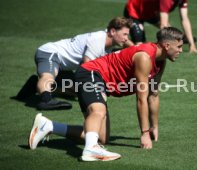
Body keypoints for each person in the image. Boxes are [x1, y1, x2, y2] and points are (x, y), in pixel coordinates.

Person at [28, 27, 184, 161]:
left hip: (102, 83)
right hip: (91, 73)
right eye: (179, 47)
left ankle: (48, 126)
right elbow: (141, 98)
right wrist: (144, 132)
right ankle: (90, 150)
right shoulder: (144, 57)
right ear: (166, 45)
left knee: (101, 137)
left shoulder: (161, 61)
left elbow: (153, 94)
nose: (181, 51)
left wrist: (154, 127)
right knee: (98, 111)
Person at [33, 17, 133, 110]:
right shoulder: (97, 40)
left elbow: (129, 45)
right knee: (48, 77)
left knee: (80, 90)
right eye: (125, 34)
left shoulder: (108, 43)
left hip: (63, 67)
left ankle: (35, 85)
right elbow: (87, 68)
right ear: (112, 31)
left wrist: (135, 49)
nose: (126, 38)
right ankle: (45, 100)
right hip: (50, 53)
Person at [124, 0, 197, 53]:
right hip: (134, 11)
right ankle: (120, 46)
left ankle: (180, 39)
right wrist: (167, 48)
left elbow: (185, 19)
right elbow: (163, 26)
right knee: (139, 46)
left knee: (171, 33)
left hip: (151, 14)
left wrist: (192, 45)